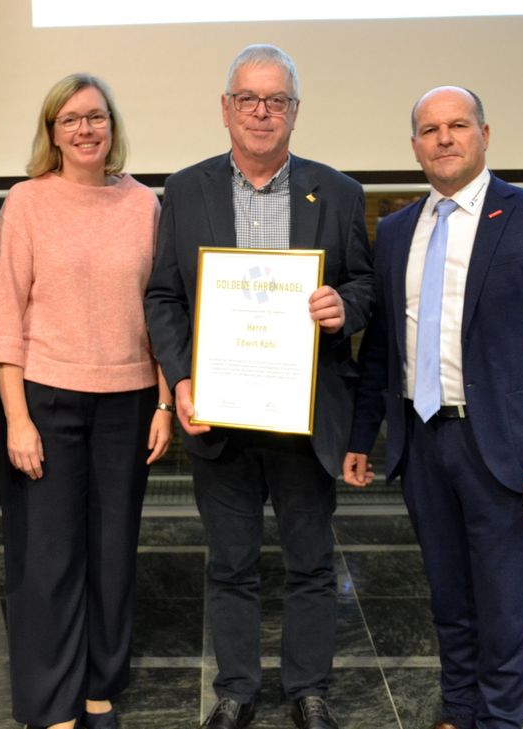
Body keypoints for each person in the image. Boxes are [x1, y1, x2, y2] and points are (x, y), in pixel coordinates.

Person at [343, 86, 523, 729]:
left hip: (502, 450)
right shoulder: (397, 229)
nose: (444, 139)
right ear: (414, 146)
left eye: (457, 126)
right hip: (422, 442)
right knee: (449, 599)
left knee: (504, 607)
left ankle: (501, 720)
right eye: (430, 130)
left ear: (485, 133)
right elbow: (383, 352)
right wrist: (361, 434)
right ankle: (458, 711)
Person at [145, 44, 374, 729]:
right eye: (248, 98)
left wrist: (344, 306)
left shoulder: (338, 192)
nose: (261, 112)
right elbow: (164, 296)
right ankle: (236, 688)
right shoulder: (186, 191)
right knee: (230, 563)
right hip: (220, 416)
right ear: (225, 109)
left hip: (305, 414)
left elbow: (365, 286)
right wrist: (183, 378)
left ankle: (308, 688)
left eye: (276, 100)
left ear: (295, 113)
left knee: (310, 561)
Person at [0, 73, 173, 729]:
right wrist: (16, 418)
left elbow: (161, 308)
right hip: (47, 400)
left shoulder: (145, 204)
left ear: (112, 126)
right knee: (50, 558)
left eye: (95, 117)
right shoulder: (26, 202)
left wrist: (164, 403)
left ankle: (99, 685)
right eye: (70, 120)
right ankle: (53, 702)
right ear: (51, 133)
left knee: (114, 551)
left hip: (129, 402)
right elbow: (2, 314)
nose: (85, 129)